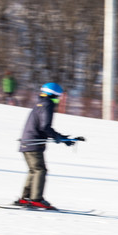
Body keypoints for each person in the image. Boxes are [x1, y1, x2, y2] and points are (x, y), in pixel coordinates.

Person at [15, 82, 83, 210]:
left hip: (27, 142)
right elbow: (45, 127)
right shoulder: (47, 104)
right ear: (54, 94)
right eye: (59, 96)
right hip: (34, 143)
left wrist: (61, 138)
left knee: (34, 170)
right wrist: (60, 138)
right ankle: (36, 199)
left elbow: (42, 127)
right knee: (40, 170)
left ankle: (25, 198)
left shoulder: (39, 103)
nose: (58, 99)